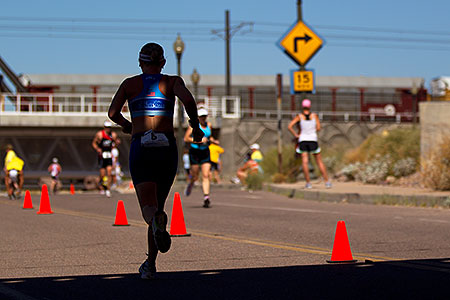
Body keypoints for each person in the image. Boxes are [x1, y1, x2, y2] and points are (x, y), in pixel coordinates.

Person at [108, 42, 204, 280]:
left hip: (142, 145)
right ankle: (150, 264)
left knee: (149, 209)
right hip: (166, 145)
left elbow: (112, 113)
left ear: (140, 63)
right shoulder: (172, 82)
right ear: (162, 63)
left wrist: (128, 125)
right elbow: (189, 102)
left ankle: (154, 228)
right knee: (159, 206)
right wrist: (195, 126)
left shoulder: (129, 84)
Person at [288, 99, 331, 189]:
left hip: (303, 140)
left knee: (305, 162)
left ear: (302, 106)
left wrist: (296, 135)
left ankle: (308, 183)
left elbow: (290, 126)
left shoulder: (299, 116)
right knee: (319, 161)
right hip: (313, 139)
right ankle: (327, 181)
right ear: (310, 106)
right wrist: (312, 130)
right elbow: (319, 128)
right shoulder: (314, 116)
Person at [184, 108, 219, 208]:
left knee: (206, 174)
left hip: (205, 152)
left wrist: (213, 141)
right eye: (201, 116)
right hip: (195, 152)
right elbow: (186, 138)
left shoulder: (209, 125)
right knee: (195, 175)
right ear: (198, 117)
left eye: (205, 116)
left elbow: (209, 137)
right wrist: (197, 140)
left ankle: (206, 197)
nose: (203, 118)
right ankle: (191, 183)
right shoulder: (193, 126)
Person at [91, 121, 119, 197]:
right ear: (104, 127)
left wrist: (115, 144)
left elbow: (116, 143)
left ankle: (108, 190)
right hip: (102, 156)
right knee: (103, 174)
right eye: (106, 127)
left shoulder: (113, 135)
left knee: (109, 173)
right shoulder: (100, 134)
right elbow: (94, 143)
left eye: (109, 127)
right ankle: (102, 185)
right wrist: (97, 149)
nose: (108, 129)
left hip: (109, 155)